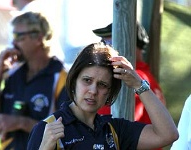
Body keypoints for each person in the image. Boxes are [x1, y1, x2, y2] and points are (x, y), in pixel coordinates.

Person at [27, 42, 178, 150]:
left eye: (102, 85)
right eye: (87, 81)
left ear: (110, 91)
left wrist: (139, 85)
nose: (93, 90)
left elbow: (168, 135)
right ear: (74, 82)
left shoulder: (114, 129)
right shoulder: (49, 129)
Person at [0, 12, 69, 150]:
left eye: (18, 36)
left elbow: (66, 131)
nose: (13, 43)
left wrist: (21, 122)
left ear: (39, 38)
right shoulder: (14, 74)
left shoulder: (61, 77)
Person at [93, 23, 166, 123]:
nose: (105, 48)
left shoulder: (131, 78)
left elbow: (104, 123)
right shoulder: (144, 76)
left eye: (111, 43)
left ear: (132, 45)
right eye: (103, 42)